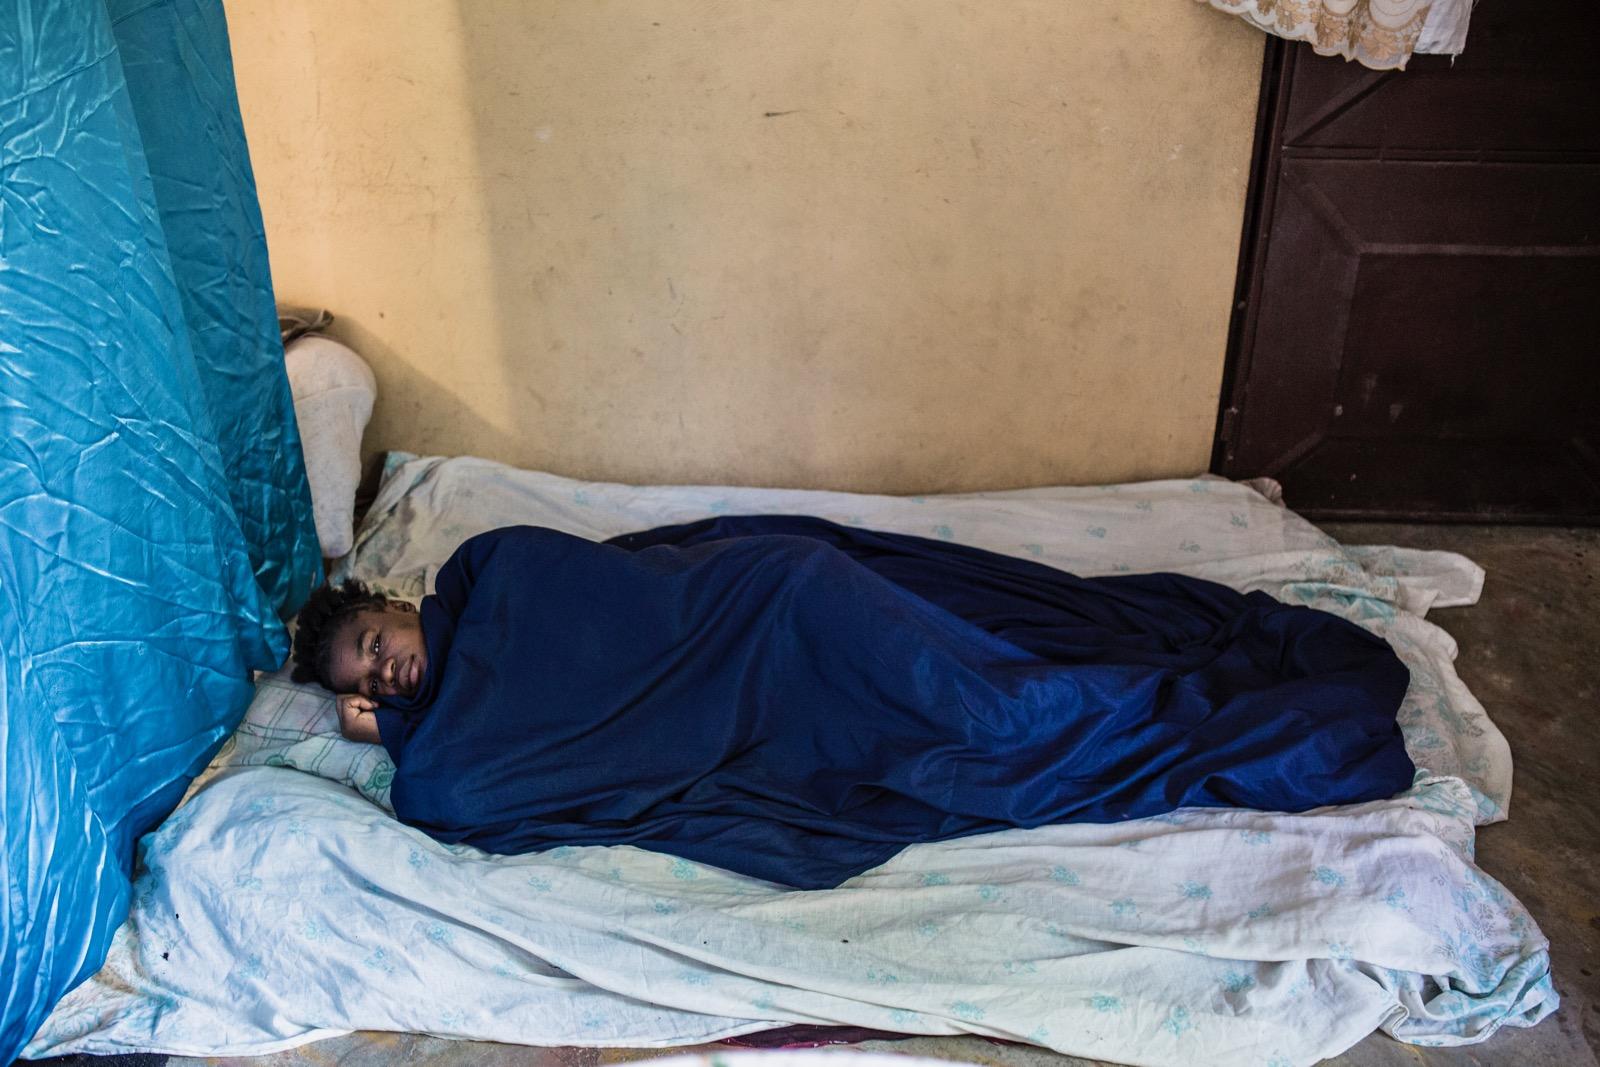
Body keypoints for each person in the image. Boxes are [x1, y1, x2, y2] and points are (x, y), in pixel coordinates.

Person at [289, 515, 1414, 889]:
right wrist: (396, 732)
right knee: (975, 737)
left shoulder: (498, 570)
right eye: (365, 683)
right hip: (763, 718)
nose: (384, 672)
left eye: (376, 647)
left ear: (395, 602)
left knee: (993, 714)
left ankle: (1166, 697)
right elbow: (461, 791)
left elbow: (635, 589)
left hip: (777, 613)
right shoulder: (436, 751)